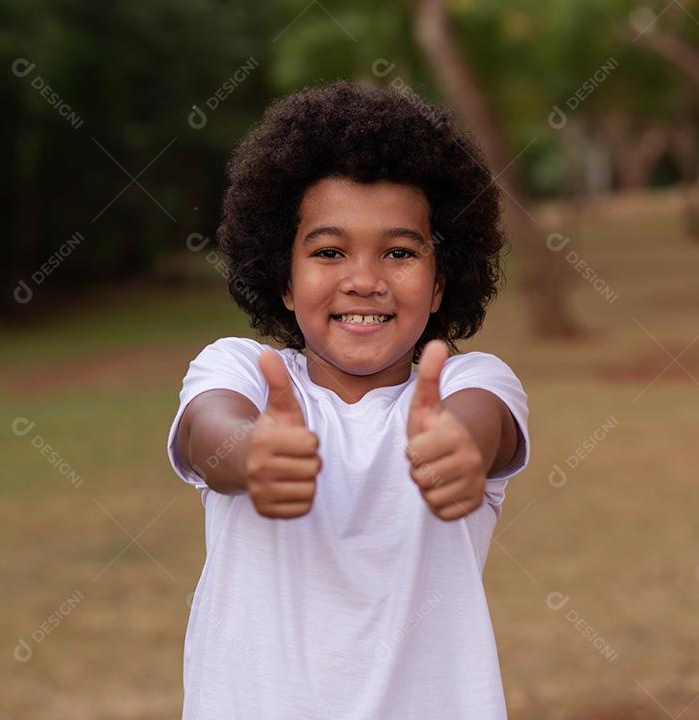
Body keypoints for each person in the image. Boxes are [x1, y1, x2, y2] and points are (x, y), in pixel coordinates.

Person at [166, 80, 530, 719]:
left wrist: (460, 449)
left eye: (399, 252)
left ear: (441, 283)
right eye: (329, 252)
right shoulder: (242, 370)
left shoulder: (471, 384)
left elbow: (480, 429)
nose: (365, 281)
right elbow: (209, 428)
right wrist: (250, 454)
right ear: (283, 279)